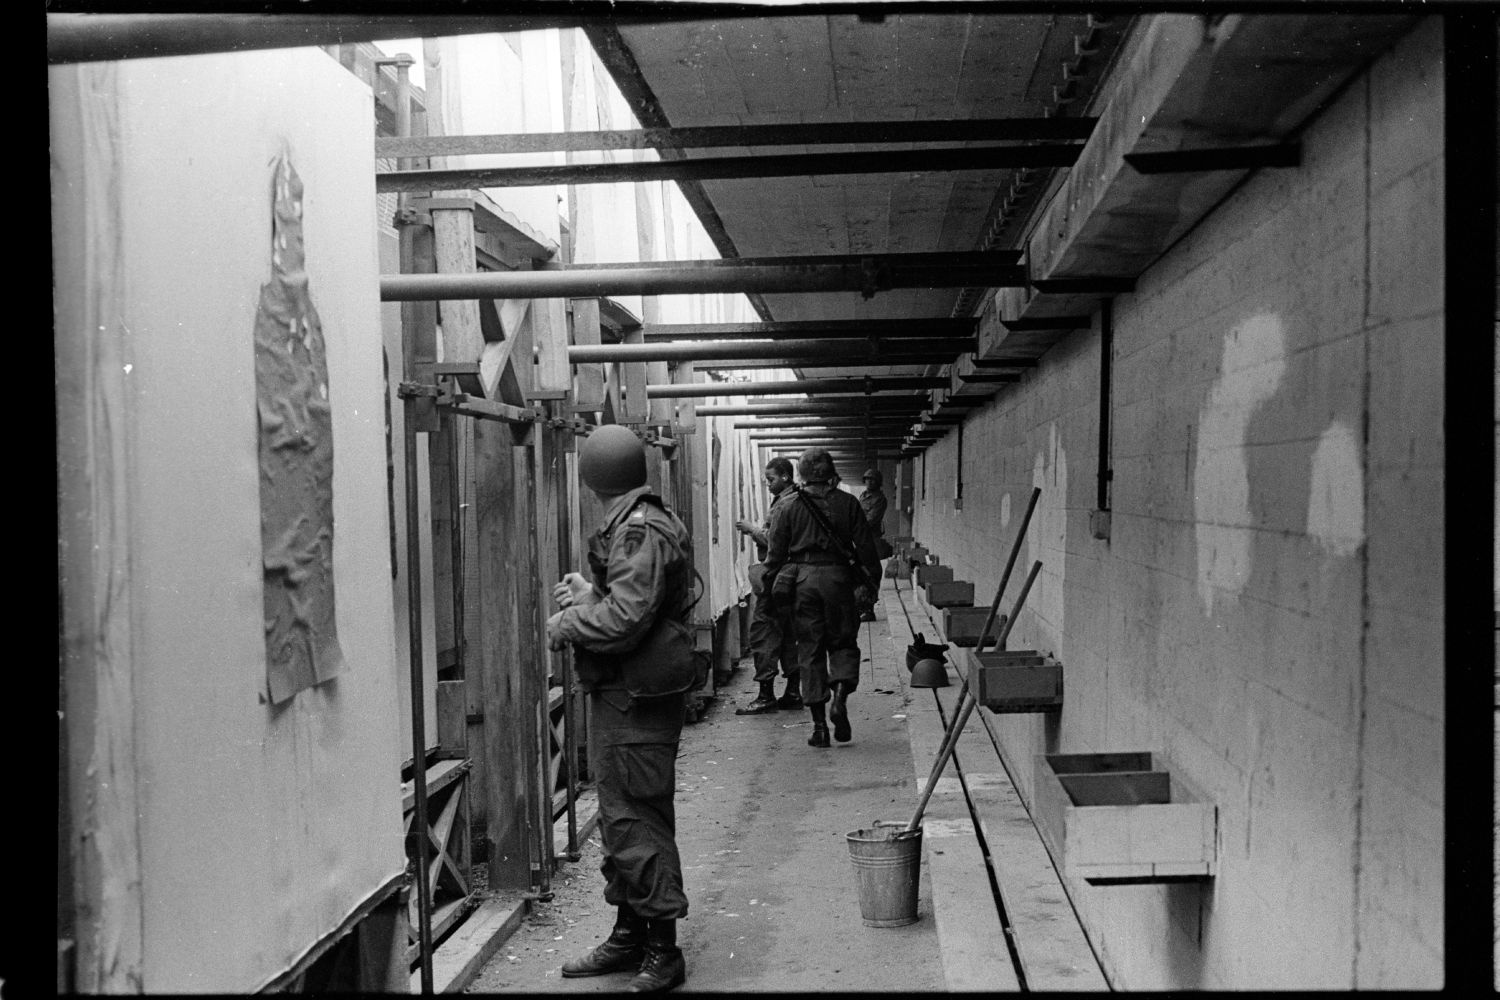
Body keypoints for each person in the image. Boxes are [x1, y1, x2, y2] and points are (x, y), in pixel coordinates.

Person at [545, 423, 694, 993]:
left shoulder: (638, 529)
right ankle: (631, 933)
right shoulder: (636, 524)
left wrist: (569, 621)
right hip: (626, 694)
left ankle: (663, 949)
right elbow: (635, 602)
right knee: (620, 816)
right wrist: (592, 593)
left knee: (636, 816)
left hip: (636, 698)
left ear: (592, 478)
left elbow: (629, 618)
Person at [762, 448, 881, 748]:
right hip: (840, 581)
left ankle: (819, 729)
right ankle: (839, 697)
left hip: (803, 583)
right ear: (831, 474)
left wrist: (769, 590)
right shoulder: (849, 503)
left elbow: (774, 556)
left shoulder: (787, 506)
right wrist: (871, 587)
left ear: (800, 474)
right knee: (843, 643)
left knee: (810, 650)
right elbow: (867, 550)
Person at [733, 457, 800, 715]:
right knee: (789, 635)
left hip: (775, 577)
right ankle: (793, 691)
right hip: (792, 580)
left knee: (764, 633)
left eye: (771, 478)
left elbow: (774, 542)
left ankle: (765, 696)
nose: (767, 483)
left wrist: (751, 530)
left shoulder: (785, 503)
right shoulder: (798, 500)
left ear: (785, 476)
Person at [857, 468, 891, 621]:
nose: (869, 482)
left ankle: (869, 609)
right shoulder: (863, 496)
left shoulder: (880, 499)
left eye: (873, 479)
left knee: (871, 573)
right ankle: (861, 606)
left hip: (872, 539)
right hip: (860, 539)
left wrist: (854, 525)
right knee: (859, 572)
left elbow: (871, 520)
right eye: (867, 479)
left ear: (878, 482)